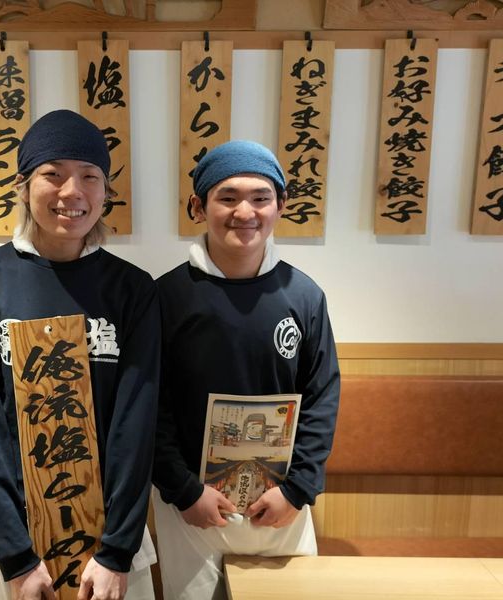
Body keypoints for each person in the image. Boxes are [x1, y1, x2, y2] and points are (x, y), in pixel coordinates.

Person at [0, 109, 159, 600]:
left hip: (111, 538)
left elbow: (136, 425)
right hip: (16, 541)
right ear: (22, 186)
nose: (71, 191)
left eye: (89, 176)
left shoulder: (133, 290)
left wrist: (117, 551)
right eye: (53, 174)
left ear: (105, 191)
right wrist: (16, 557)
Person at [152, 140, 340, 600]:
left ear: (281, 205)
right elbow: (149, 405)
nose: (245, 212)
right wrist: (184, 491)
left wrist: (297, 491)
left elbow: (321, 397)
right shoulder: (164, 297)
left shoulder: (304, 296)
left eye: (260, 198)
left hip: (279, 503)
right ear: (198, 206)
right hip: (191, 506)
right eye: (228, 197)